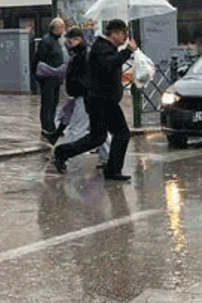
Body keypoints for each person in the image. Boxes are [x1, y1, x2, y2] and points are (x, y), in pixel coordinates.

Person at [51, 18, 136, 181]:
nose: (125, 38)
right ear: (114, 33)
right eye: (123, 34)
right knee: (121, 133)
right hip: (102, 100)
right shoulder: (101, 48)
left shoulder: (107, 47)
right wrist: (127, 52)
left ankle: (63, 152)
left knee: (97, 137)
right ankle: (113, 170)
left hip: (102, 100)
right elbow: (109, 65)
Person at [45, 27, 88, 144]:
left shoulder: (81, 55)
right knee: (97, 129)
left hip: (82, 95)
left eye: (70, 42)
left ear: (78, 40)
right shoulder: (77, 54)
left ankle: (68, 152)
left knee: (77, 128)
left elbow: (81, 75)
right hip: (80, 94)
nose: (68, 45)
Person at [36, 18, 67, 137]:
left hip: (55, 77)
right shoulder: (46, 41)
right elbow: (41, 60)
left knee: (54, 102)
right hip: (48, 77)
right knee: (48, 103)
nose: (63, 30)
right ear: (55, 28)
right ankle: (46, 127)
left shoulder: (55, 41)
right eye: (62, 27)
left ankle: (51, 126)